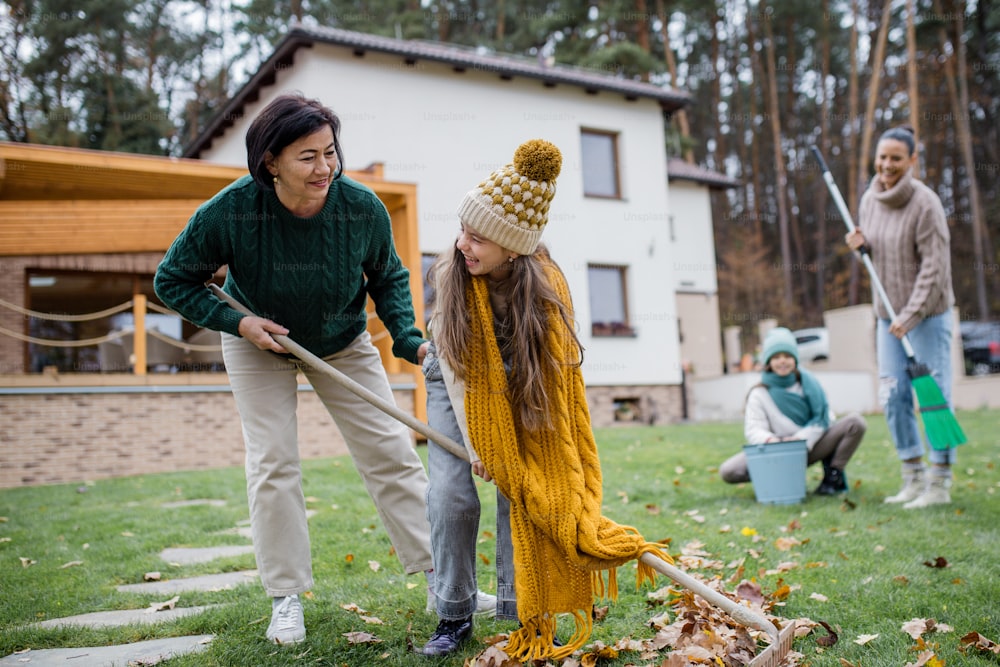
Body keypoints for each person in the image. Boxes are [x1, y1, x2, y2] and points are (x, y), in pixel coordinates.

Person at [153, 93, 494, 645]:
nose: (325, 168)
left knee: (390, 452)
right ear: (271, 161)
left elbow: (386, 275)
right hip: (258, 339)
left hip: (341, 338)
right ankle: (286, 597)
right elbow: (173, 279)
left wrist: (409, 341)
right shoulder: (231, 210)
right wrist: (239, 324)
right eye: (307, 156)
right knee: (273, 462)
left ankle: (443, 583)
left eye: (330, 152)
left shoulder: (360, 207)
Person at [418, 139, 667, 661]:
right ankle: (453, 611)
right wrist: (481, 448)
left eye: (479, 237)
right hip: (455, 379)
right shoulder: (453, 277)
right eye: (463, 229)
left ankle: (522, 610)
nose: (464, 244)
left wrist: (522, 459)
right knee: (451, 495)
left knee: (529, 489)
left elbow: (556, 383)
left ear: (513, 245)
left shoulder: (546, 291)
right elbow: (461, 380)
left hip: (522, 385)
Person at [846, 124, 957, 509]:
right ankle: (913, 476)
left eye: (896, 158)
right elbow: (881, 256)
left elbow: (935, 267)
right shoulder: (869, 200)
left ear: (912, 160)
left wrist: (910, 315)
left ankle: (940, 482)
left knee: (933, 396)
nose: (886, 165)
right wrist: (862, 246)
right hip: (886, 316)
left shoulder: (925, 204)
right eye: (882, 157)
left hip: (927, 315)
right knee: (893, 394)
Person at [719, 327, 867, 495]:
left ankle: (833, 477)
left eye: (788, 356)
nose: (783, 361)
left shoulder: (809, 385)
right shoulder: (759, 393)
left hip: (808, 446)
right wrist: (772, 441)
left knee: (855, 423)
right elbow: (754, 429)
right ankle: (776, 477)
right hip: (776, 452)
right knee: (728, 471)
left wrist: (799, 439)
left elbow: (825, 418)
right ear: (768, 361)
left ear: (795, 359)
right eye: (776, 357)